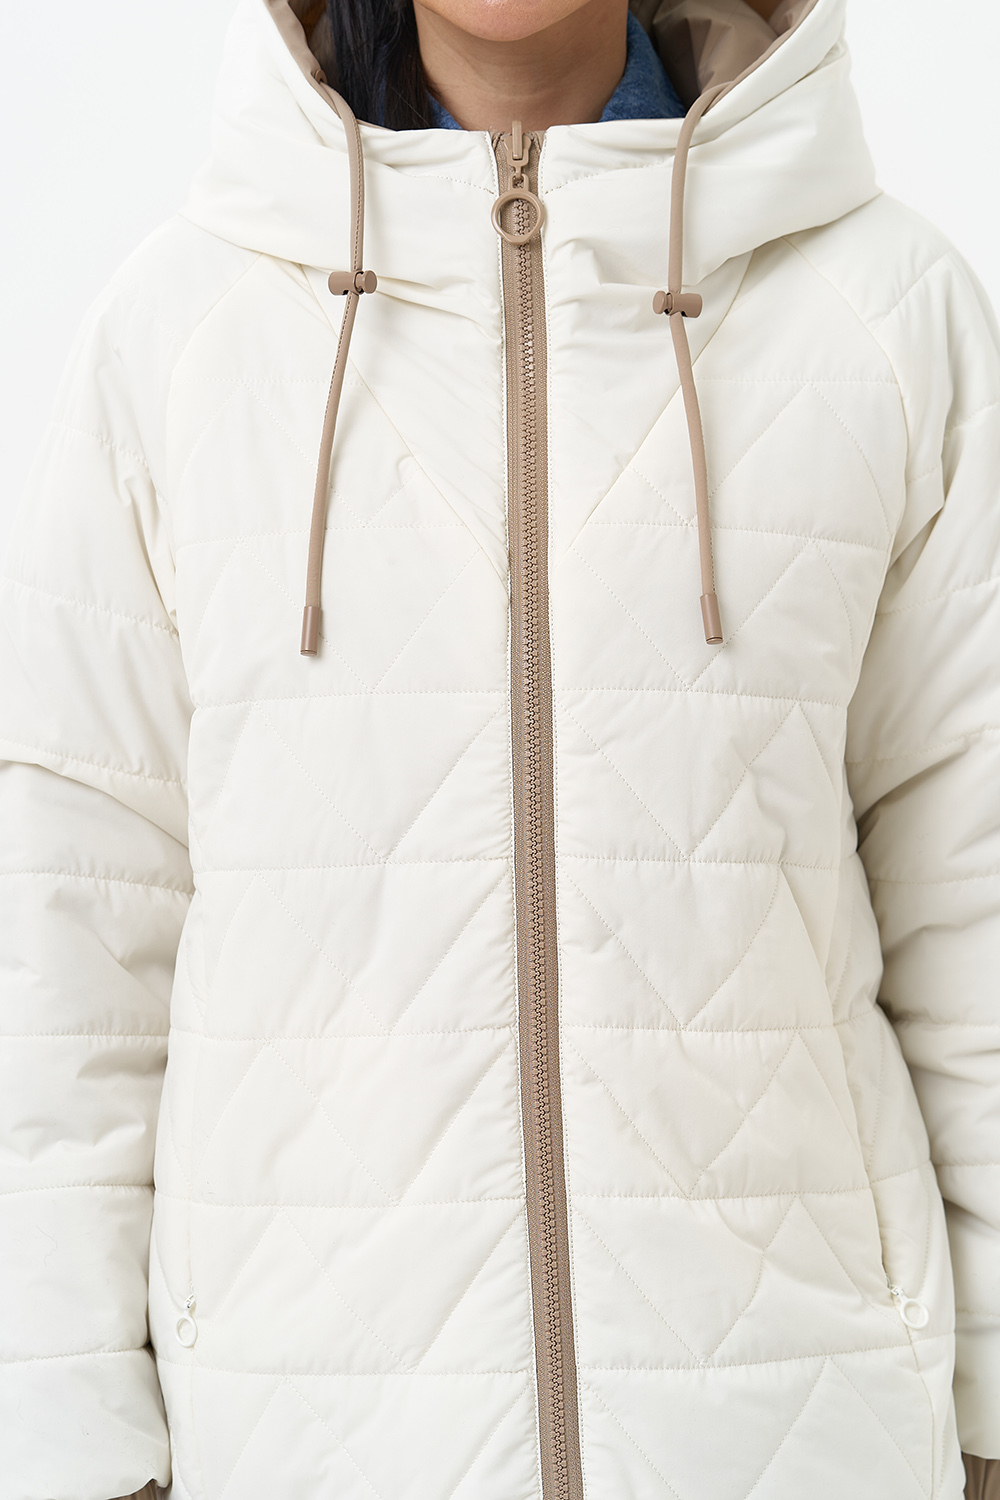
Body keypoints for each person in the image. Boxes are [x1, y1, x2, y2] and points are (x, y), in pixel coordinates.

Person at [1, 0, 998, 1495]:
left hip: (801, 1430)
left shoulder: (887, 311)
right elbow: (65, 940)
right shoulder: (178, 336)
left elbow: (976, 900)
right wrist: (68, 1437)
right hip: (308, 1443)